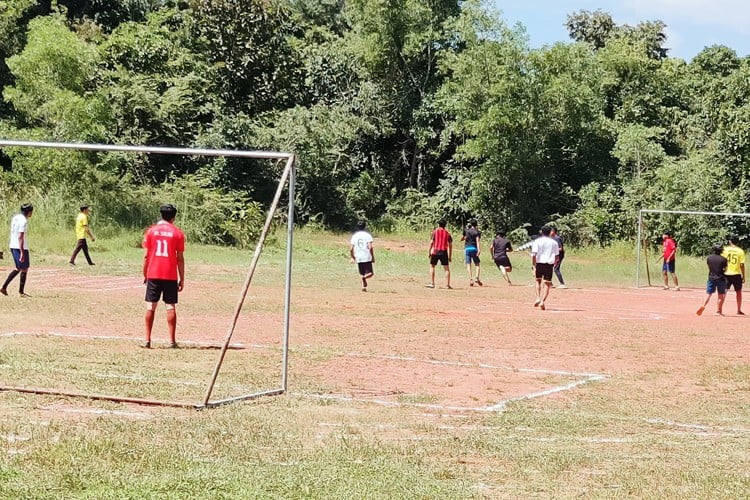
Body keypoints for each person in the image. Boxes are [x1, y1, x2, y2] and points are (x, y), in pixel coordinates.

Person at [142, 204, 185, 349]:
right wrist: (182, 278)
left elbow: (147, 255)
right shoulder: (178, 233)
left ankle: (147, 340)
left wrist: (145, 273)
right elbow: (180, 258)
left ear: (161, 215)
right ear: (173, 217)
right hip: (170, 274)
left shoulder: (151, 231)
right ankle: (172, 341)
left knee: (151, 306)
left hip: (154, 272)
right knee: (170, 306)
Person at [1, 203, 33, 297]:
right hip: (19, 246)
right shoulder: (24, 221)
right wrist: (22, 251)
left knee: (23, 268)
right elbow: (21, 237)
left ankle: (7, 288)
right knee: (21, 268)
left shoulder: (16, 217)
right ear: (29, 212)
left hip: (13, 245)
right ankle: (17, 291)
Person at [531, 226, 559, 311]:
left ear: (541, 232)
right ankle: (543, 301)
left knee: (538, 280)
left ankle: (538, 298)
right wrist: (553, 264)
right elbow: (557, 256)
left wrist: (534, 264)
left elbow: (534, 254)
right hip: (549, 264)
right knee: (547, 283)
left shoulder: (537, 241)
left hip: (539, 263)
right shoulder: (554, 243)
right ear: (550, 232)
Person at [697, 243, 727, 316]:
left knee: (708, 293)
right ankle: (719, 311)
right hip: (721, 278)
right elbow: (725, 269)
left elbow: (709, 267)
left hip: (711, 278)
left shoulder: (709, 258)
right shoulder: (724, 259)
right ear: (721, 250)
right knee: (721, 295)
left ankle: (703, 305)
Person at [722, 235, 745, 315]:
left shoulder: (725, 250)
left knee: (724, 291)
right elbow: (742, 265)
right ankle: (738, 309)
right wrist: (743, 275)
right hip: (736, 273)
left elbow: (722, 261)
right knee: (738, 292)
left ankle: (719, 309)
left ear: (730, 241)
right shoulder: (740, 251)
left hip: (727, 273)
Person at [427, 218, 452, 289]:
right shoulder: (448, 233)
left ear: (439, 224)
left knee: (432, 266)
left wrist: (429, 252)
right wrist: (450, 256)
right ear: (445, 225)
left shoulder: (435, 232)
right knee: (446, 268)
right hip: (444, 251)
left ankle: (432, 283)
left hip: (435, 251)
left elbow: (431, 242)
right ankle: (447, 285)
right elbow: (450, 245)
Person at [350, 220, 374, 292]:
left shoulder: (354, 236)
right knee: (370, 273)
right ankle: (364, 278)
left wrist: (352, 257)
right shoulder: (367, 236)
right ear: (365, 226)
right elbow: (370, 247)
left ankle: (363, 287)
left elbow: (351, 248)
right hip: (366, 256)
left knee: (362, 272)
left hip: (358, 256)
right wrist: (372, 256)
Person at [462, 219, 482, 286]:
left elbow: (464, 237)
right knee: (477, 264)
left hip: (467, 248)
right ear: (476, 224)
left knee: (468, 264)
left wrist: (462, 239)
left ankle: (471, 279)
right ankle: (477, 277)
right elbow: (477, 241)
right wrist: (479, 249)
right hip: (474, 248)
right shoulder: (477, 232)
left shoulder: (467, 231)